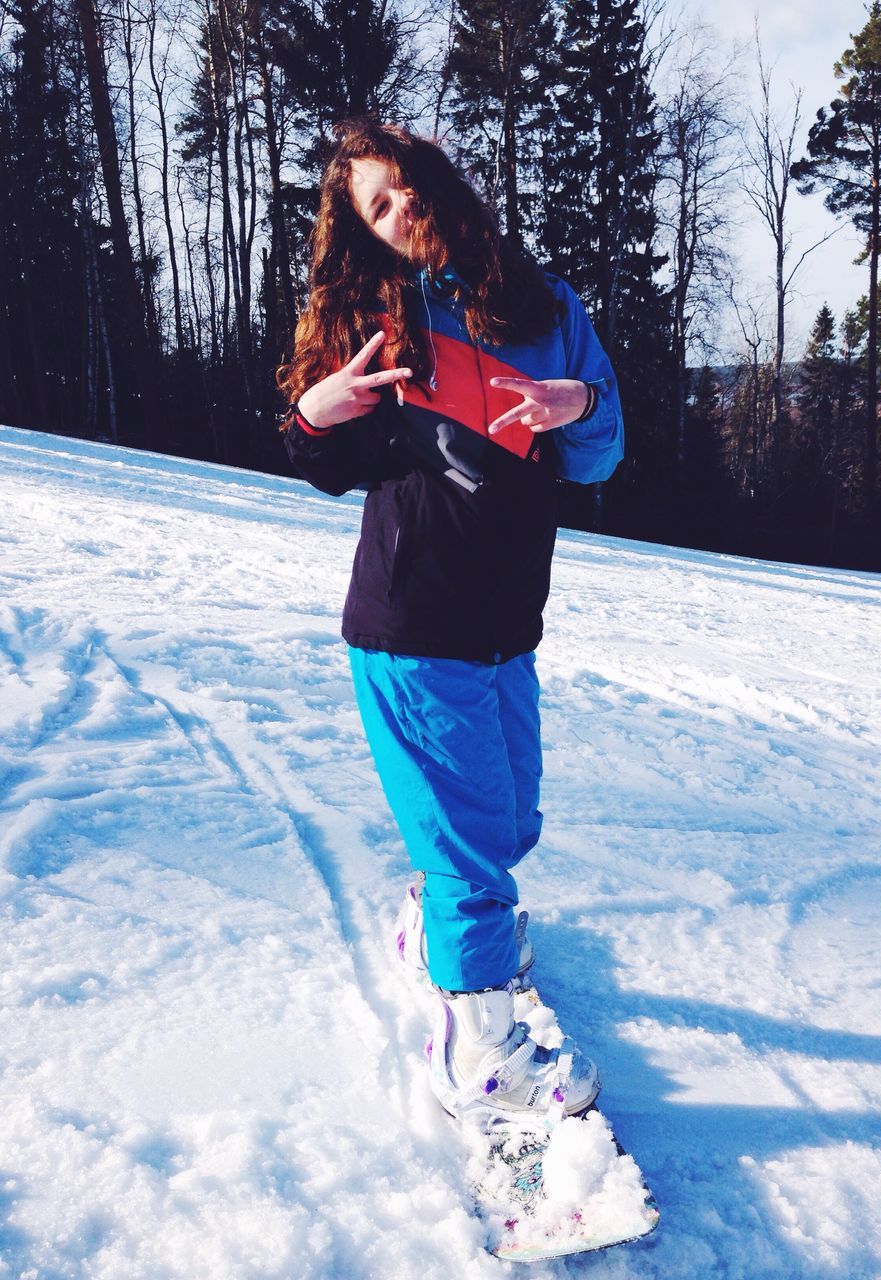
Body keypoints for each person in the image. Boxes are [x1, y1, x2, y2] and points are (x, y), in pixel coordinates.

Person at [278, 118, 624, 1128]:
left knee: (508, 822)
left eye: (405, 189)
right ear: (366, 232)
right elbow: (320, 460)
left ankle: (442, 922)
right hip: (411, 619)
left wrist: (578, 403)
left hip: (507, 623)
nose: (399, 213)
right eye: (374, 208)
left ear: (440, 182)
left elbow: (602, 454)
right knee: (473, 846)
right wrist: (320, 411)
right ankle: (479, 1053)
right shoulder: (376, 318)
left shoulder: (545, 304)